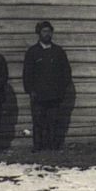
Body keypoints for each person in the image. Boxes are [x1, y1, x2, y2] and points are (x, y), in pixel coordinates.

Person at [22, 20, 72, 151]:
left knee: (53, 121)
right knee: (38, 122)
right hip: (38, 95)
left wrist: (61, 90)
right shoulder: (32, 52)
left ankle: (53, 146)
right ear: (39, 33)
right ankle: (38, 146)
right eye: (44, 31)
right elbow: (27, 74)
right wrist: (30, 90)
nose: (47, 34)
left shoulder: (58, 52)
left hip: (54, 95)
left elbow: (66, 73)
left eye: (49, 31)